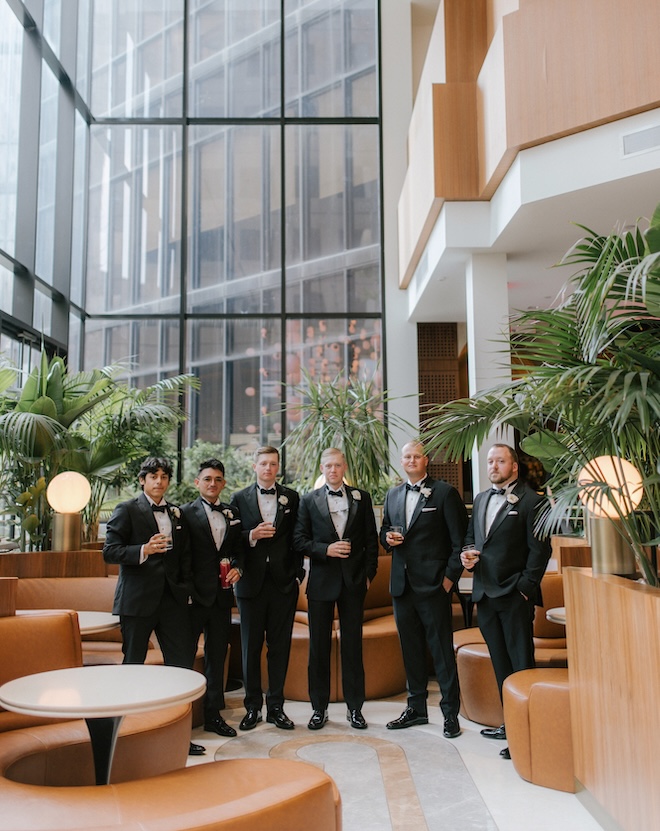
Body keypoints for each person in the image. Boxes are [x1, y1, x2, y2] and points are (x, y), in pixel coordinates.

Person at [103, 456, 205, 755]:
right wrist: (143, 550)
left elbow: (184, 555)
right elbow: (110, 551)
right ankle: (129, 736)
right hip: (137, 600)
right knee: (133, 665)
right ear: (142, 480)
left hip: (172, 601)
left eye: (164, 476)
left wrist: (184, 589)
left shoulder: (175, 512)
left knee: (180, 667)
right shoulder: (127, 509)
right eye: (153, 476)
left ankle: (178, 737)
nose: (159, 481)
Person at [461, 443, 551, 759]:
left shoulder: (531, 501)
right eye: (490, 461)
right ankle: (510, 725)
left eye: (500, 460)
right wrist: (466, 555)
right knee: (500, 663)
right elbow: (471, 538)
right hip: (484, 594)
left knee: (521, 664)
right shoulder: (482, 499)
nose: (494, 466)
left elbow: (540, 550)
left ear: (514, 466)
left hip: (514, 595)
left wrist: (525, 588)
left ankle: (528, 731)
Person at [380, 440, 467, 739]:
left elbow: (460, 541)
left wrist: (448, 580)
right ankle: (416, 708)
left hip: (433, 586)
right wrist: (387, 538)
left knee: (441, 651)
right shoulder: (392, 494)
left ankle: (449, 713)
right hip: (401, 586)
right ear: (402, 461)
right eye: (407, 456)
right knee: (410, 650)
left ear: (426, 460)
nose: (412, 460)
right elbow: (385, 530)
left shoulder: (444, 493)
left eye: (417, 456)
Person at [293, 448, 378, 730]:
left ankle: (356, 708)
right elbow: (299, 540)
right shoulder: (308, 500)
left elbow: (370, 539)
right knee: (319, 648)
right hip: (320, 583)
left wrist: (369, 575)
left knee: (353, 647)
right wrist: (325, 549)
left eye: (337, 465)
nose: (333, 470)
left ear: (344, 468)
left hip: (354, 583)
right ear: (322, 467)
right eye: (328, 465)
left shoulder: (361, 498)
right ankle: (319, 708)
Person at [230, 446, 302, 731]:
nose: (268, 468)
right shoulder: (238, 498)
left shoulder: (292, 497)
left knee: (279, 647)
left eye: (273, 464)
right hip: (250, 584)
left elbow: (298, 536)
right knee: (250, 648)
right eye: (263, 464)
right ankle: (252, 708)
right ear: (254, 466)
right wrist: (251, 535)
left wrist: (298, 573)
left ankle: (276, 707)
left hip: (284, 583)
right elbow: (232, 539)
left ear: (278, 467)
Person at [181, 458, 244, 740]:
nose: (213, 484)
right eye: (207, 479)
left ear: (224, 484)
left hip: (221, 596)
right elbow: (179, 559)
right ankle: (180, 721)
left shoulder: (232, 512)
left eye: (218, 479)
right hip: (193, 599)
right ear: (197, 483)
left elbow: (240, 549)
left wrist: (238, 568)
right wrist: (186, 592)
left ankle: (212, 716)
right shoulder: (183, 513)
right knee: (184, 659)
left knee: (217, 657)